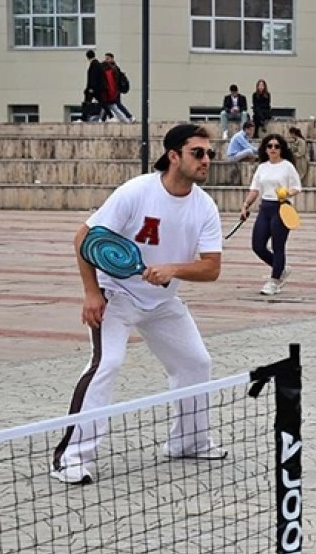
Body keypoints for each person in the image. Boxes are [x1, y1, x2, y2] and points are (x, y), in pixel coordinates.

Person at [52, 124, 225, 484]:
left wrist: (172, 269)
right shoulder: (136, 192)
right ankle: (71, 458)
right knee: (107, 362)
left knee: (196, 362)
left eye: (210, 153)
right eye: (198, 153)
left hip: (162, 301)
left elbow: (211, 268)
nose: (207, 159)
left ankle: (188, 442)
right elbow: (83, 239)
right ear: (173, 156)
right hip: (115, 294)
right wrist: (91, 293)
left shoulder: (205, 206)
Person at [240, 134, 301, 295]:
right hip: (265, 206)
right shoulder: (262, 167)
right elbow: (255, 189)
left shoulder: (287, 166)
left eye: (276, 146)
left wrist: (287, 193)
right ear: (265, 149)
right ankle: (280, 268)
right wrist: (246, 205)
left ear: (281, 149)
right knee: (258, 246)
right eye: (270, 146)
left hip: (281, 207)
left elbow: (297, 187)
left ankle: (274, 280)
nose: (273, 149)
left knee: (278, 245)